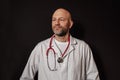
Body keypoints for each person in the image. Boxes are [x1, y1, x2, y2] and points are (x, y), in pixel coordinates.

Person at [20, 8, 100, 80]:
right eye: (54, 20)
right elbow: (26, 77)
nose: (57, 23)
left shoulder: (83, 48)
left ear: (70, 24)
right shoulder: (41, 48)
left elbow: (93, 77)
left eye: (61, 19)